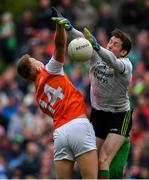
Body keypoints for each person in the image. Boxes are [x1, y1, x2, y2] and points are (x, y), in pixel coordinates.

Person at [52, 11, 133, 179]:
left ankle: (122, 142)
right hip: (98, 114)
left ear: (123, 52)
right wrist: (69, 28)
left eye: (115, 44)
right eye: (110, 42)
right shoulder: (96, 53)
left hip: (119, 115)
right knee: (91, 161)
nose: (110, 46)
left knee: (103, 159)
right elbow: (83, 39)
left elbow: (111, 60)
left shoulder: (126, 65)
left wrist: (97, 47)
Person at [17, 23, 98, 179]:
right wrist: (59, 25)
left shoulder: (38, 96)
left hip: (60, 135)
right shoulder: (50, 70)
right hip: (78, 125)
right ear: (35, 67)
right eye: (35, 60)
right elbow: (60, 45)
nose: (39, 60)